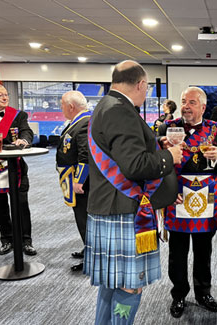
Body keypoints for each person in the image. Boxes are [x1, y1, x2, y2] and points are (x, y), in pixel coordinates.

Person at [86, 60, 183, 325]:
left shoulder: (105, 105)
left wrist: (154, 145)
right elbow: (134, 165)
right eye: (147, 87)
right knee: (130, 286)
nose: (147, 92)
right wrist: (169, 156)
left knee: (111, 283)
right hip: (124, 211)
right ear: (141, 84)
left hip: (110, 207)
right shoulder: (122, 111)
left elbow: (120, 153)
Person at [157, 86, 217, 318]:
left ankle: (203, 292)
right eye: (183, 101)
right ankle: (179, 294)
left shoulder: (216, 129)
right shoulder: (167, 128)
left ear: (202, 107)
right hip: (177, 194)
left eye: (191, 102)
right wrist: (166, 191)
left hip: (205, 196)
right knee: (177, 251)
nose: (186, 106)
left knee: (203, 249)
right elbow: (155, 163)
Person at [58, 90, 93, 272]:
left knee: (84, 219)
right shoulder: (80, 121)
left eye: (62, 105)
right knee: (83, 218)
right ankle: (89, 249)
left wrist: (79, 181)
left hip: (83, 183)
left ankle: (92, 258)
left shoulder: (85, 122)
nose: (61, 108)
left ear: (71, 106)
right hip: (75, 179)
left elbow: (85, 155)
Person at [0, 84, 35, 256]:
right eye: (0, 95)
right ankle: (7, 239)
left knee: (21, 205)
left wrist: (23, 141)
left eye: (6, 94)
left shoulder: (18, 115)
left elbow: (27, 132)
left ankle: (26, 241)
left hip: (16, 168)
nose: (5, 98)